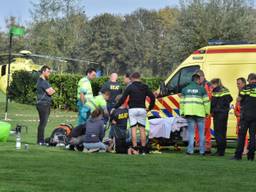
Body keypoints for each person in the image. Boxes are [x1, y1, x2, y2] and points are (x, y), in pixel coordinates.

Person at [113, 72, 155, 154]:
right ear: (140, 77)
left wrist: (115, 107)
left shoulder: (130, 87)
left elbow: (122, 99)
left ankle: (135, 148)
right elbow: (152, 97)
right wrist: (150, 108)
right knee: (142, 129)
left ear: (132, 78)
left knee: (133, 129)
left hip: (132, 109)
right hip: (142, 109)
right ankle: (143, 149)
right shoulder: (145, 87)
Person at [180, 73, 210, 155]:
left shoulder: (184, 90)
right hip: (200, 113)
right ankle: (202, 151)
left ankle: (190, 151)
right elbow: (207, 102)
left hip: (189, 113)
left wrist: (182, 112)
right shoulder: (202, 89)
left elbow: (181, 103)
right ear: (198, 80)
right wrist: (207, 112)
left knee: (191, 133)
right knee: (201, 133)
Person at [232, 73, 256, 160]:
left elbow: (239, 99)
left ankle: (238, 156)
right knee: (253, 136)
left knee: (242, 135)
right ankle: (251, 156)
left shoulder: (246, 88)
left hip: (245, 115)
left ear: (249, 80)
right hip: (255, 116)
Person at [210, 78, 233, 156]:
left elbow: (213, 102)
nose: (212, 87)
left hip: (218, 113)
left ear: (215, 84)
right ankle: (222, 150)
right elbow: (230, 98)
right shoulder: (225, 89)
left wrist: (211, 111)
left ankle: (219, 151)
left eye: (212, 85)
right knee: (223, 132)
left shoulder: (216, 90)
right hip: (225, 113)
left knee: (218, 132)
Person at [36, 65, 55, 145]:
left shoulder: (42, 81)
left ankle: (40, 140)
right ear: (43, 72)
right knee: (43, 123)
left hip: (43, 104)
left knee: (42, 123)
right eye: (48, 72)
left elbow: (50, 91)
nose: (49, 73)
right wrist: (52, 90)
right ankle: (40, 141)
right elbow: (51, 92)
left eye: (50, 72)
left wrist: (51, 89)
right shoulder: (43, 81)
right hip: (43, 104)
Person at [194, 70, 212, 154]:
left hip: (206, 111)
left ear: (202, 77)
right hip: (198, 110)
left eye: (198, 77)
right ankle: (198, 145)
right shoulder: (197, 85)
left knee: (206, 129)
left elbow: (209, 97)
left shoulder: (208, 85)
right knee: (197, 128)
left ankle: (207, 146)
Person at [234, 77, 248, 155]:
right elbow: (237, 108)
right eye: (237, 84)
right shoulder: (240, 93)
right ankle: (242, 148)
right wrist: (236, 113)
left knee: (243, 133)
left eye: (238, 84)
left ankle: (245, 149)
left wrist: (240, 114)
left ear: (243, 84)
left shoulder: (246, 93)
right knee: (239, 132)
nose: (237, 85)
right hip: (240, 117)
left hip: (245, 117)